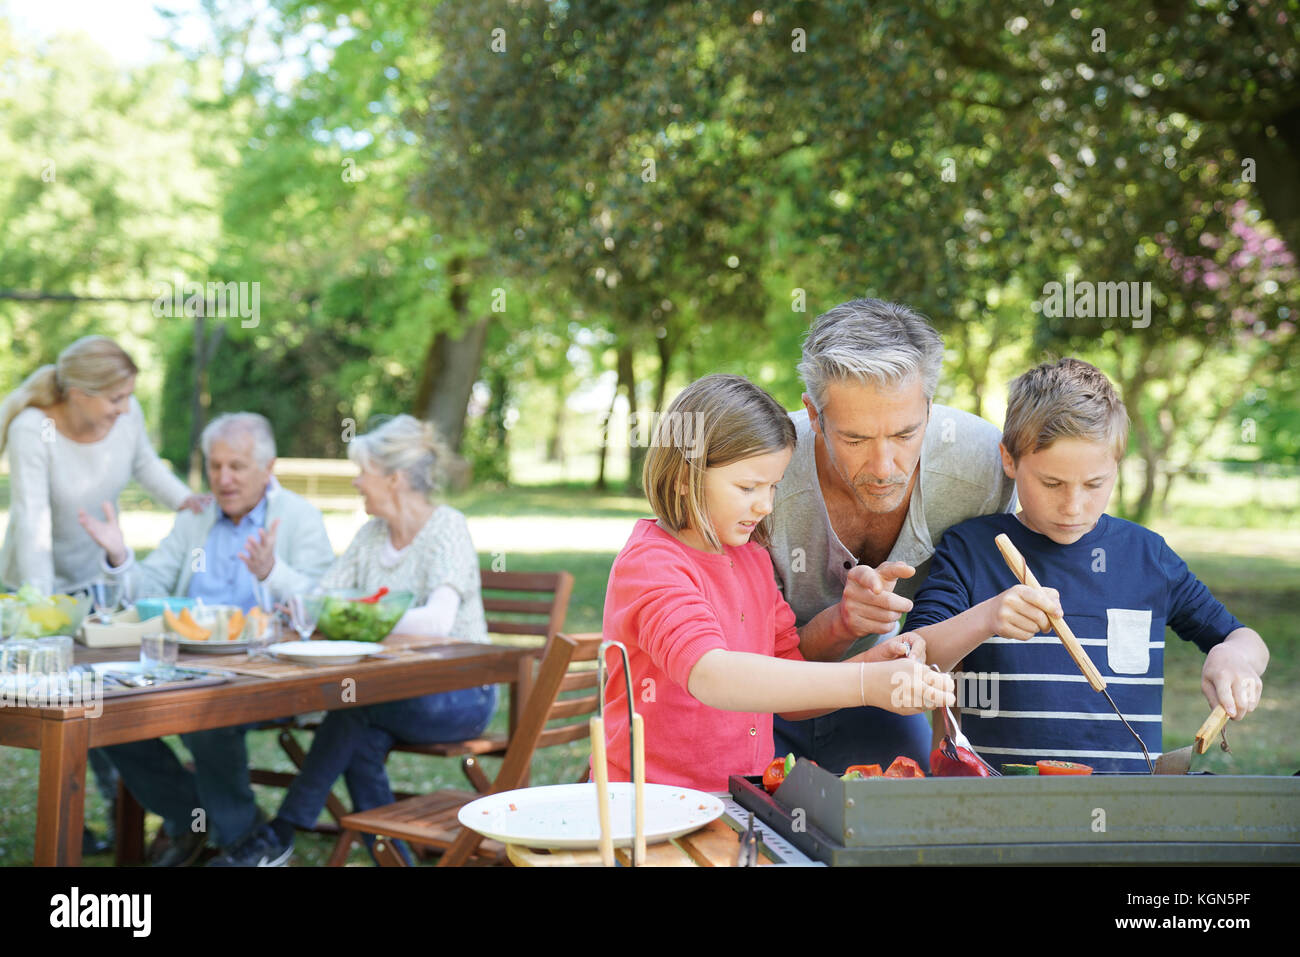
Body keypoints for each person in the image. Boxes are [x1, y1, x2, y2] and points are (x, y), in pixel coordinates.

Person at [901, 358, 1269, 771]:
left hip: (1127, 810)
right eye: (1052, 483)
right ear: (1009, 459)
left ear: (1116, 465)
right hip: (998, 808)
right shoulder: (971, 549)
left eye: (1094, 484)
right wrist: (987, 618)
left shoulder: (1148, 556)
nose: (1073, 506)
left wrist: (1236, 657)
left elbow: (1244, 638)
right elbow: (912, 660)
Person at [599, 374, 955, 793]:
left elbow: (792, 685)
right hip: (646, 804)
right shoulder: (652, 563)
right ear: (683, 476)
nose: (765, 505)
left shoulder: (751, 559)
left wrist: (876, 667)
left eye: (773, 486)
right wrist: (862, 685)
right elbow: (712, 674)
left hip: (735, 799)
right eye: (747, 486)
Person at [217, 415, 494, 866]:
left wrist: (363, 615)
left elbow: (438, 622)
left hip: (460, 696)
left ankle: (282, 831)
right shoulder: (371, 536)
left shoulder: (447, 527)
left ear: (394, 478)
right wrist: (271, 572)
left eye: (362, 471)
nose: (355, 481)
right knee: (359, 731)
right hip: (392, 695)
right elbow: (322, 601)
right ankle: (396, 857)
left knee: (355, 711)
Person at [768, 299, 1016, 773]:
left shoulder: (984, 466)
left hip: (880, 694)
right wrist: (842, 622)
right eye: (856, 440)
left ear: (929, 406)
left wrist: (953, 751)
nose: (884, 470)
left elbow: (978, 612)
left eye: (905, 434)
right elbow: (740, 664)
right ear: (814, 415)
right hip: (760, 699)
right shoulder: (761, 475)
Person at [79, 412, 334, 865]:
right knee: (105, 712)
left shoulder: (298, 517)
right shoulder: (196, 518)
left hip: (267, 672)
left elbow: (319, 605)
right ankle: (193, 818)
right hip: (183, 662)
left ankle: (237, 842)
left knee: (208, 711)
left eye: (236, 466)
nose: (223, 478)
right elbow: (150, 589)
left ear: (267, 467)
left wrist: (272, 573)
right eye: (215, 466)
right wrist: (119, 553)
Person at [0, 335, 206, 856]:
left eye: (127, 397)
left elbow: (146, 465)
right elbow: (33, 525)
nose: (123, 408)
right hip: (33, 587)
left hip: (101, 579)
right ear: (79, 391)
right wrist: (40, 614)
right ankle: (105, 823)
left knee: (107, 706)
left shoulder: (126, 413)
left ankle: (151, 820)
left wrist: (189, 501)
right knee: (50, 710)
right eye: (114, 398)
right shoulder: (33, 430)